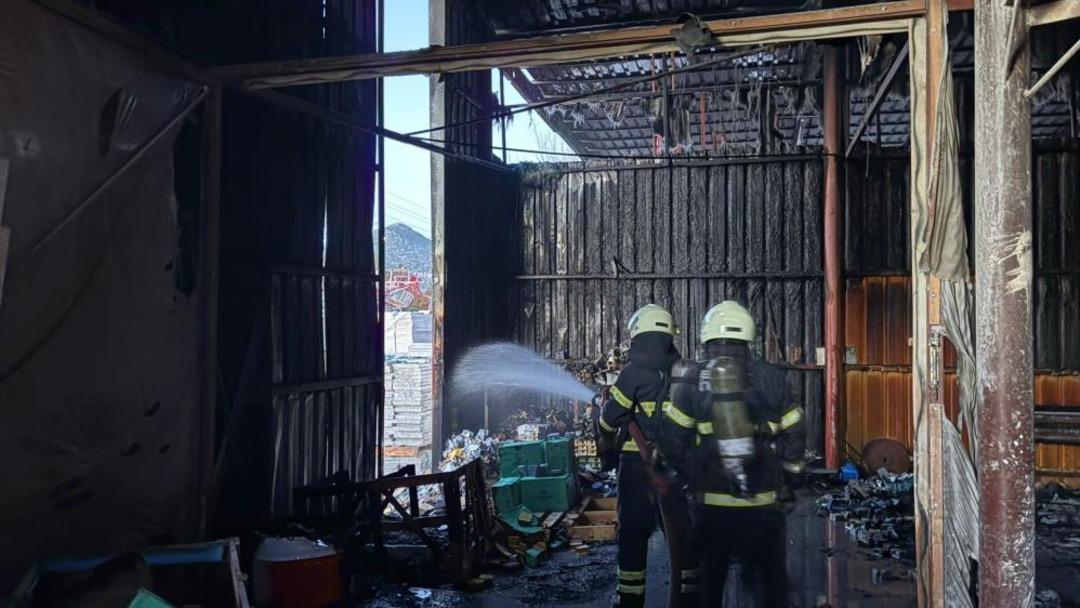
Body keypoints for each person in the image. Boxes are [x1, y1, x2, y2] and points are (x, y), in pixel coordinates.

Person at [659, 301, 806, 608]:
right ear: (749, 336)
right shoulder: (771, 377)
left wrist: (689, 479)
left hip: (713, 508)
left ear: (706, 337)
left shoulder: (692, 381)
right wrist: (791, 479)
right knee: (772, 590)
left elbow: (673, 443)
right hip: (764, 506)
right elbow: (794, 431)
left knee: (710, 587)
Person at [595, 304, 700, 608]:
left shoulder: (632, 372)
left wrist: (602, 409)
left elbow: (608, 421)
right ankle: (689, 598)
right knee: (680, 533)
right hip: (677, 466)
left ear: (638, 334)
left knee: (633, 533)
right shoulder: (682, 370)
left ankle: (630, 600)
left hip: (637, 467)